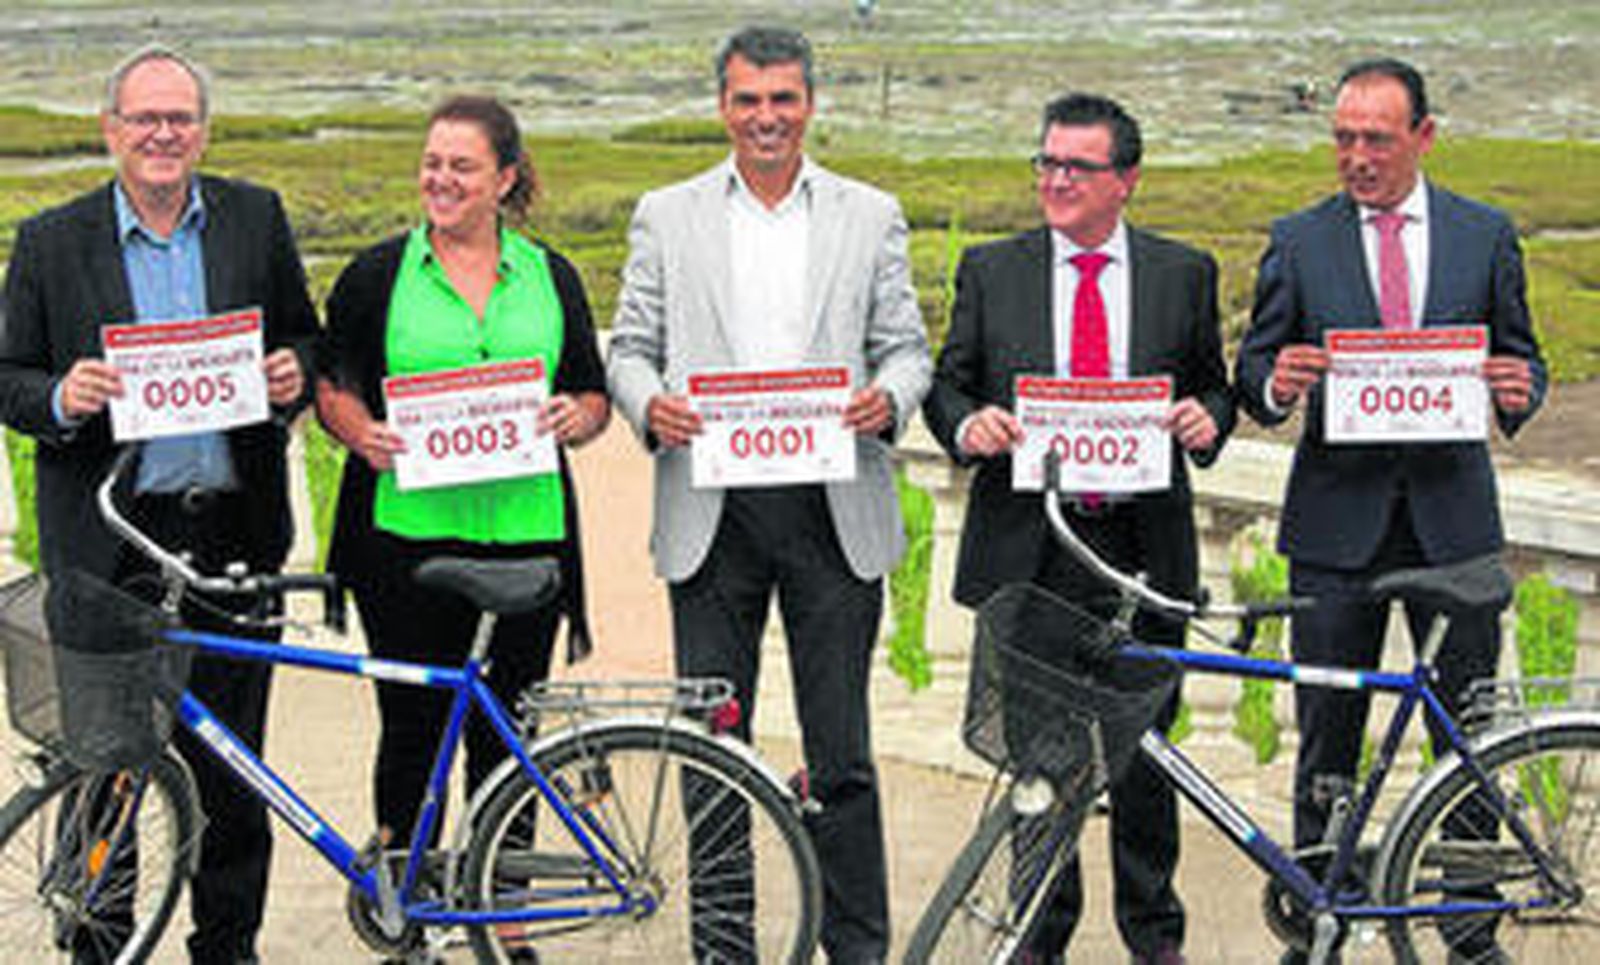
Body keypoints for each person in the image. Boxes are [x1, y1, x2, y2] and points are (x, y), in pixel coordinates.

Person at [607, 25, 931, 964]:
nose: (766, 118)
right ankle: (725, 949)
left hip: (834, 508)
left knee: (842, 755)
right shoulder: (666, 214)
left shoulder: (870, 214)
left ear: (810, 105)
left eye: (782, 99)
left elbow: (906, 347)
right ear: (722, 107)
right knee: (714, 754)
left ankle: (856, 948)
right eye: (748, 100)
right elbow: (628, 347)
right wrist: (647, 404)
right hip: (712, 513)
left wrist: (892, 397)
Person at [0, 44, 318, 964]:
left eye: (179, 117)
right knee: (103, 767)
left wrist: (295, 372)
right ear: (111, 131)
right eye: (145, 118)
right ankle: (98, 943)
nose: (163, 134)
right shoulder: (51, 241)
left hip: (232, 534)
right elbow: (10, 379)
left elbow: (301, 332)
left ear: (204, 130)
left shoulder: (254, 219)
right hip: (109, 544)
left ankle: (229, 945)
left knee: (232, 767)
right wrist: (65, 395)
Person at [1234, 58, 1545, 963]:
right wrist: (1275, 383)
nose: (1356, 156)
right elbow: (1257, 372)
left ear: (1423, 137)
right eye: (1342, 138)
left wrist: (1520, 391)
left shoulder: (1484, 234)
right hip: (1335, 532)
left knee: (1470, 735)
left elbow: (1521, 361)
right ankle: (1319, 918)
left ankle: (1470, 926)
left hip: (1455, 524)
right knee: (1326, 740)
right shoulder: (1298, 239)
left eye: (1375, 137)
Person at [924, 92, 1233, 965]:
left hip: (1143, 558)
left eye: (1077, 167)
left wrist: (1209, 421)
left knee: (1145, 764)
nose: (1056, 180)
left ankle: (1154, 935)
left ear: (1125, 181)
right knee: (1038, 765)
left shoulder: (1184, 271)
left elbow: (1213, 387)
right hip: (1033, 555)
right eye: (1046, 163)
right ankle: (1038, 932)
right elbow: (949, 385)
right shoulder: (993, 268)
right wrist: (966, 426)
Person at [315, 95, 607, 875]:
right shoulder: (378, 273)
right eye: (431, 163)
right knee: (411, 728)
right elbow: (332, 383)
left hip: (527, 534)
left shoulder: (552, 275)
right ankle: (406, 900)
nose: (440, 180)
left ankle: (502, 911)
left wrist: (576, 417)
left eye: (462, 166)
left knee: (508, 736)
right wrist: (358, 432)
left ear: (505, 178)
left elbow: (591, 391)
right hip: (403, 539)